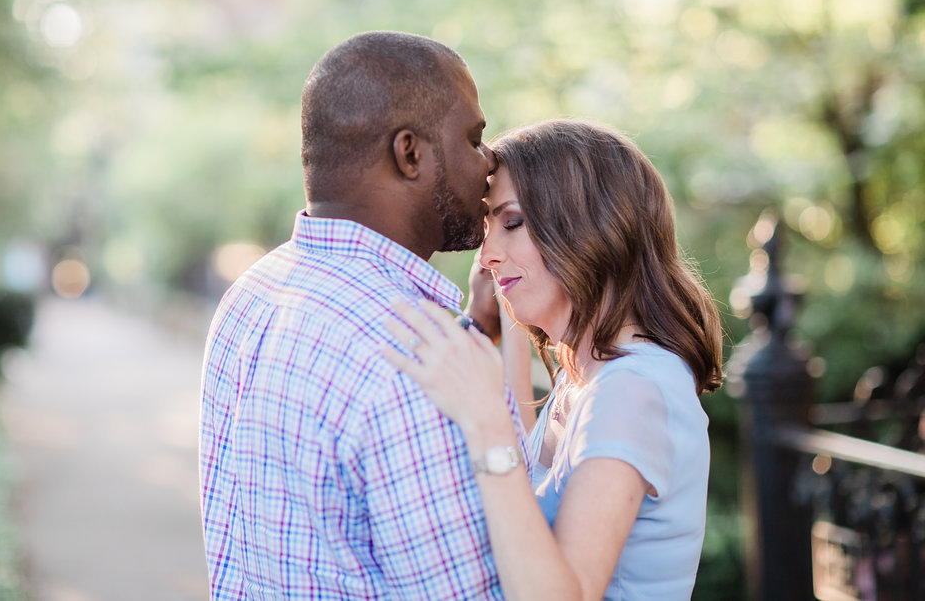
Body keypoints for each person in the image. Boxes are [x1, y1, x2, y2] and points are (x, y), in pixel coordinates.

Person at [199, 30, 526, 599]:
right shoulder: (423, 356)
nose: (491, 159)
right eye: (473, 139)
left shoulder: (251, 296)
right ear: (410, 153)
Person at [384, 118, 724, 600]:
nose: (485, 258)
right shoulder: (586, 372)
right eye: (486, 230)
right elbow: (532, 482)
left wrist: (485, 424)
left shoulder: (629, 391)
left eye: (512, 222)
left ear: (590, 224)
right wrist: (500, 323)